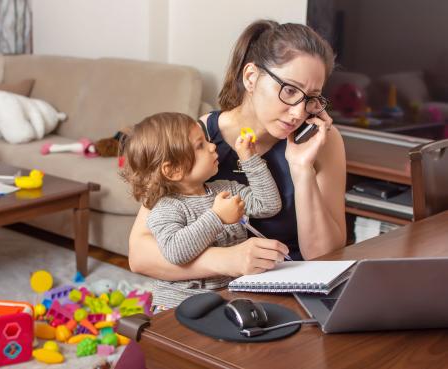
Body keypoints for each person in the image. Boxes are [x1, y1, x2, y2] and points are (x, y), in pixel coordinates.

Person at [128, 19, 347, 282]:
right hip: (220, 288)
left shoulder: (324, 142)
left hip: (295, 283)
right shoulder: (201, 139)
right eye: (289, 90)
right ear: (251, 77)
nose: (299, 112)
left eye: (311, 97)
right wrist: (229, 260)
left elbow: (324, 258)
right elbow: (139, 254)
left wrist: (301, 169)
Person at [121, 112, 282, 308]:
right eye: (200, 146)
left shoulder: (225, 189)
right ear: (172, 170)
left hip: (226, 299)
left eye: (207, 140)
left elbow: (268, 204)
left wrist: (249, 159)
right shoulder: (165, 207)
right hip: (178, 307)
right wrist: (217, 217)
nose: (213, 146)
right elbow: (176, 252)